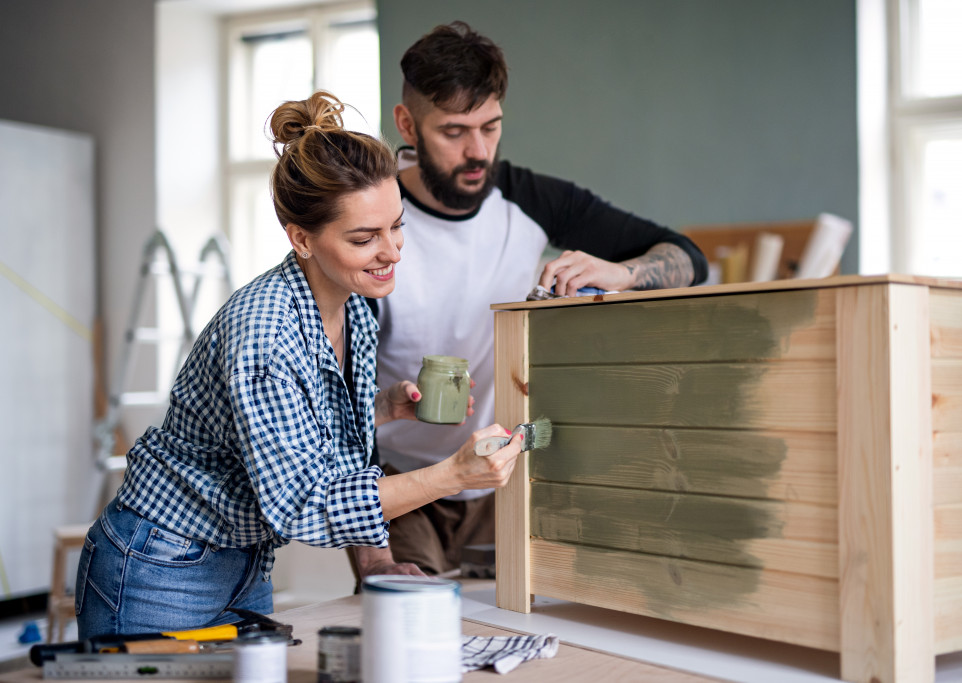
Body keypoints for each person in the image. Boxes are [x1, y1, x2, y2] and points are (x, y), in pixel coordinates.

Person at [74, 90, 523, 638]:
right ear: (301, 238)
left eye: (397, 226)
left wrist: (379, 413)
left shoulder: (354, 306)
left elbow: (333, 444)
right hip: (160, 565)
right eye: (365, 237)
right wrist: (454, 475)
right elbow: (305, 501)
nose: (393, 251)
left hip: (246, 561)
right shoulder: (264, 330)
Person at [362, 22, 709, 576]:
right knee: (405, 628)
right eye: (454, 132)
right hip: (402, 489)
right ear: (407, 124)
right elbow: (335, 408)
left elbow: (691, 259)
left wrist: (623, 273)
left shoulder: (531, 199)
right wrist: (373, 558)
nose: (478, 152)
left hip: (504, 478)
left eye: (491, 127)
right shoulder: (374, 224)